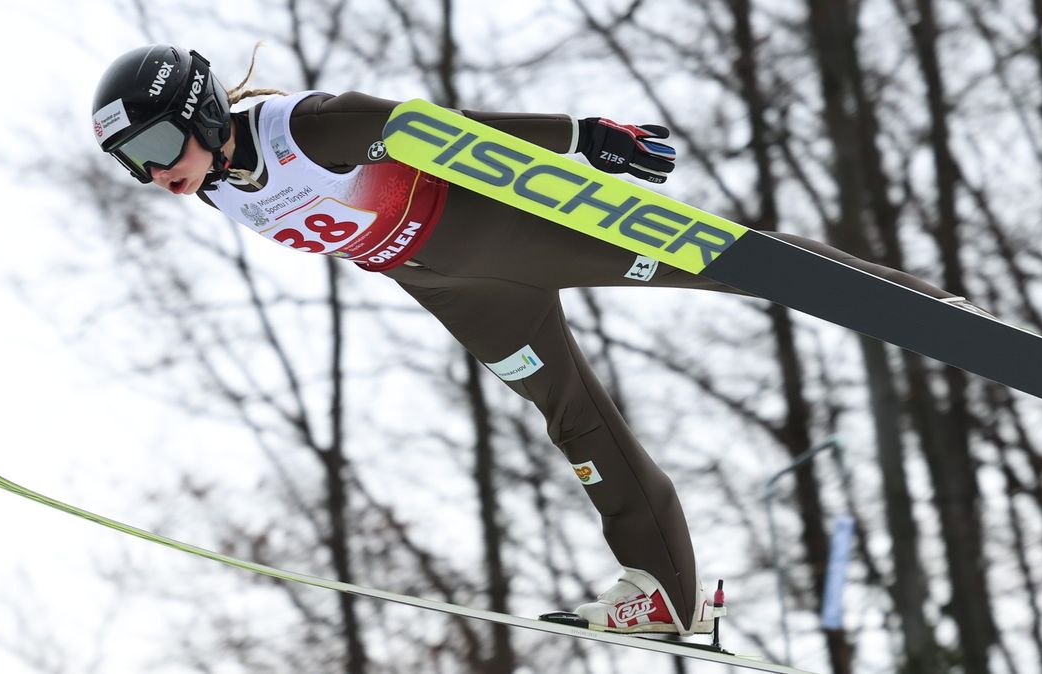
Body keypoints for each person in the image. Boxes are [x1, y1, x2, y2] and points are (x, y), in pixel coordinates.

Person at [91, 44, 976, 637]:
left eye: (157, 142)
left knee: (731, 263)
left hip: (510, 225)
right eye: (134, 163)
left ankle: (940, 314)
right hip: (456, 287)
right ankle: (663, 593)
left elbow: (439, 134)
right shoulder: (216, 188)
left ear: (199, 110)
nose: (153, 172)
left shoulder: (307, 128)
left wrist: (585, 140)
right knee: (574, 420)